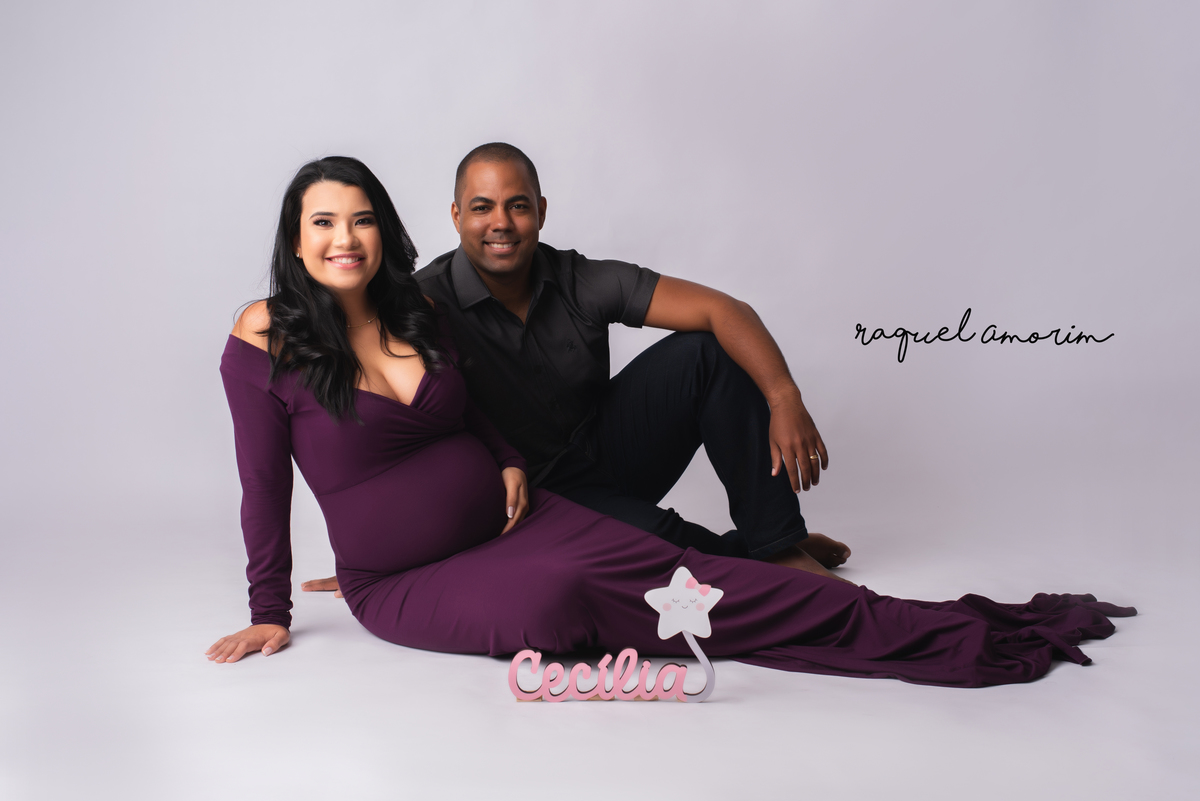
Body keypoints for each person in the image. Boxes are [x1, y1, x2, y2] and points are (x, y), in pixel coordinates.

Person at [206, 156, 1134, 689]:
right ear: (296, 238)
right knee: (561, 595)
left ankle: (903, 618)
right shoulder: (263, 338)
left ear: (385, 228)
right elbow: (264, 485)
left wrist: (505, 462)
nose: (344, 239)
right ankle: (742, 557)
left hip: (526, 513)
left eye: (361, 220)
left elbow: (468, 415)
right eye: (323, 223)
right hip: (406, 578)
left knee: (691, 577)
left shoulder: (416, 309)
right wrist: (269, 610)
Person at [303, 142, 848, 605]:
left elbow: (722, 310)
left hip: (606, 451)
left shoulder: (579, 278)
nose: (500, 223)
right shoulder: (421, 304)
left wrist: (784, 398)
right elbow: (375, 434)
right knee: (661, 551)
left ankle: (777, 543)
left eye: (518, 206)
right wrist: (379, 560)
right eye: (481, 207)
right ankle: (754, 549)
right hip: (533, 496)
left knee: (705, 353)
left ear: (541, 211)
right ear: (456, 216)